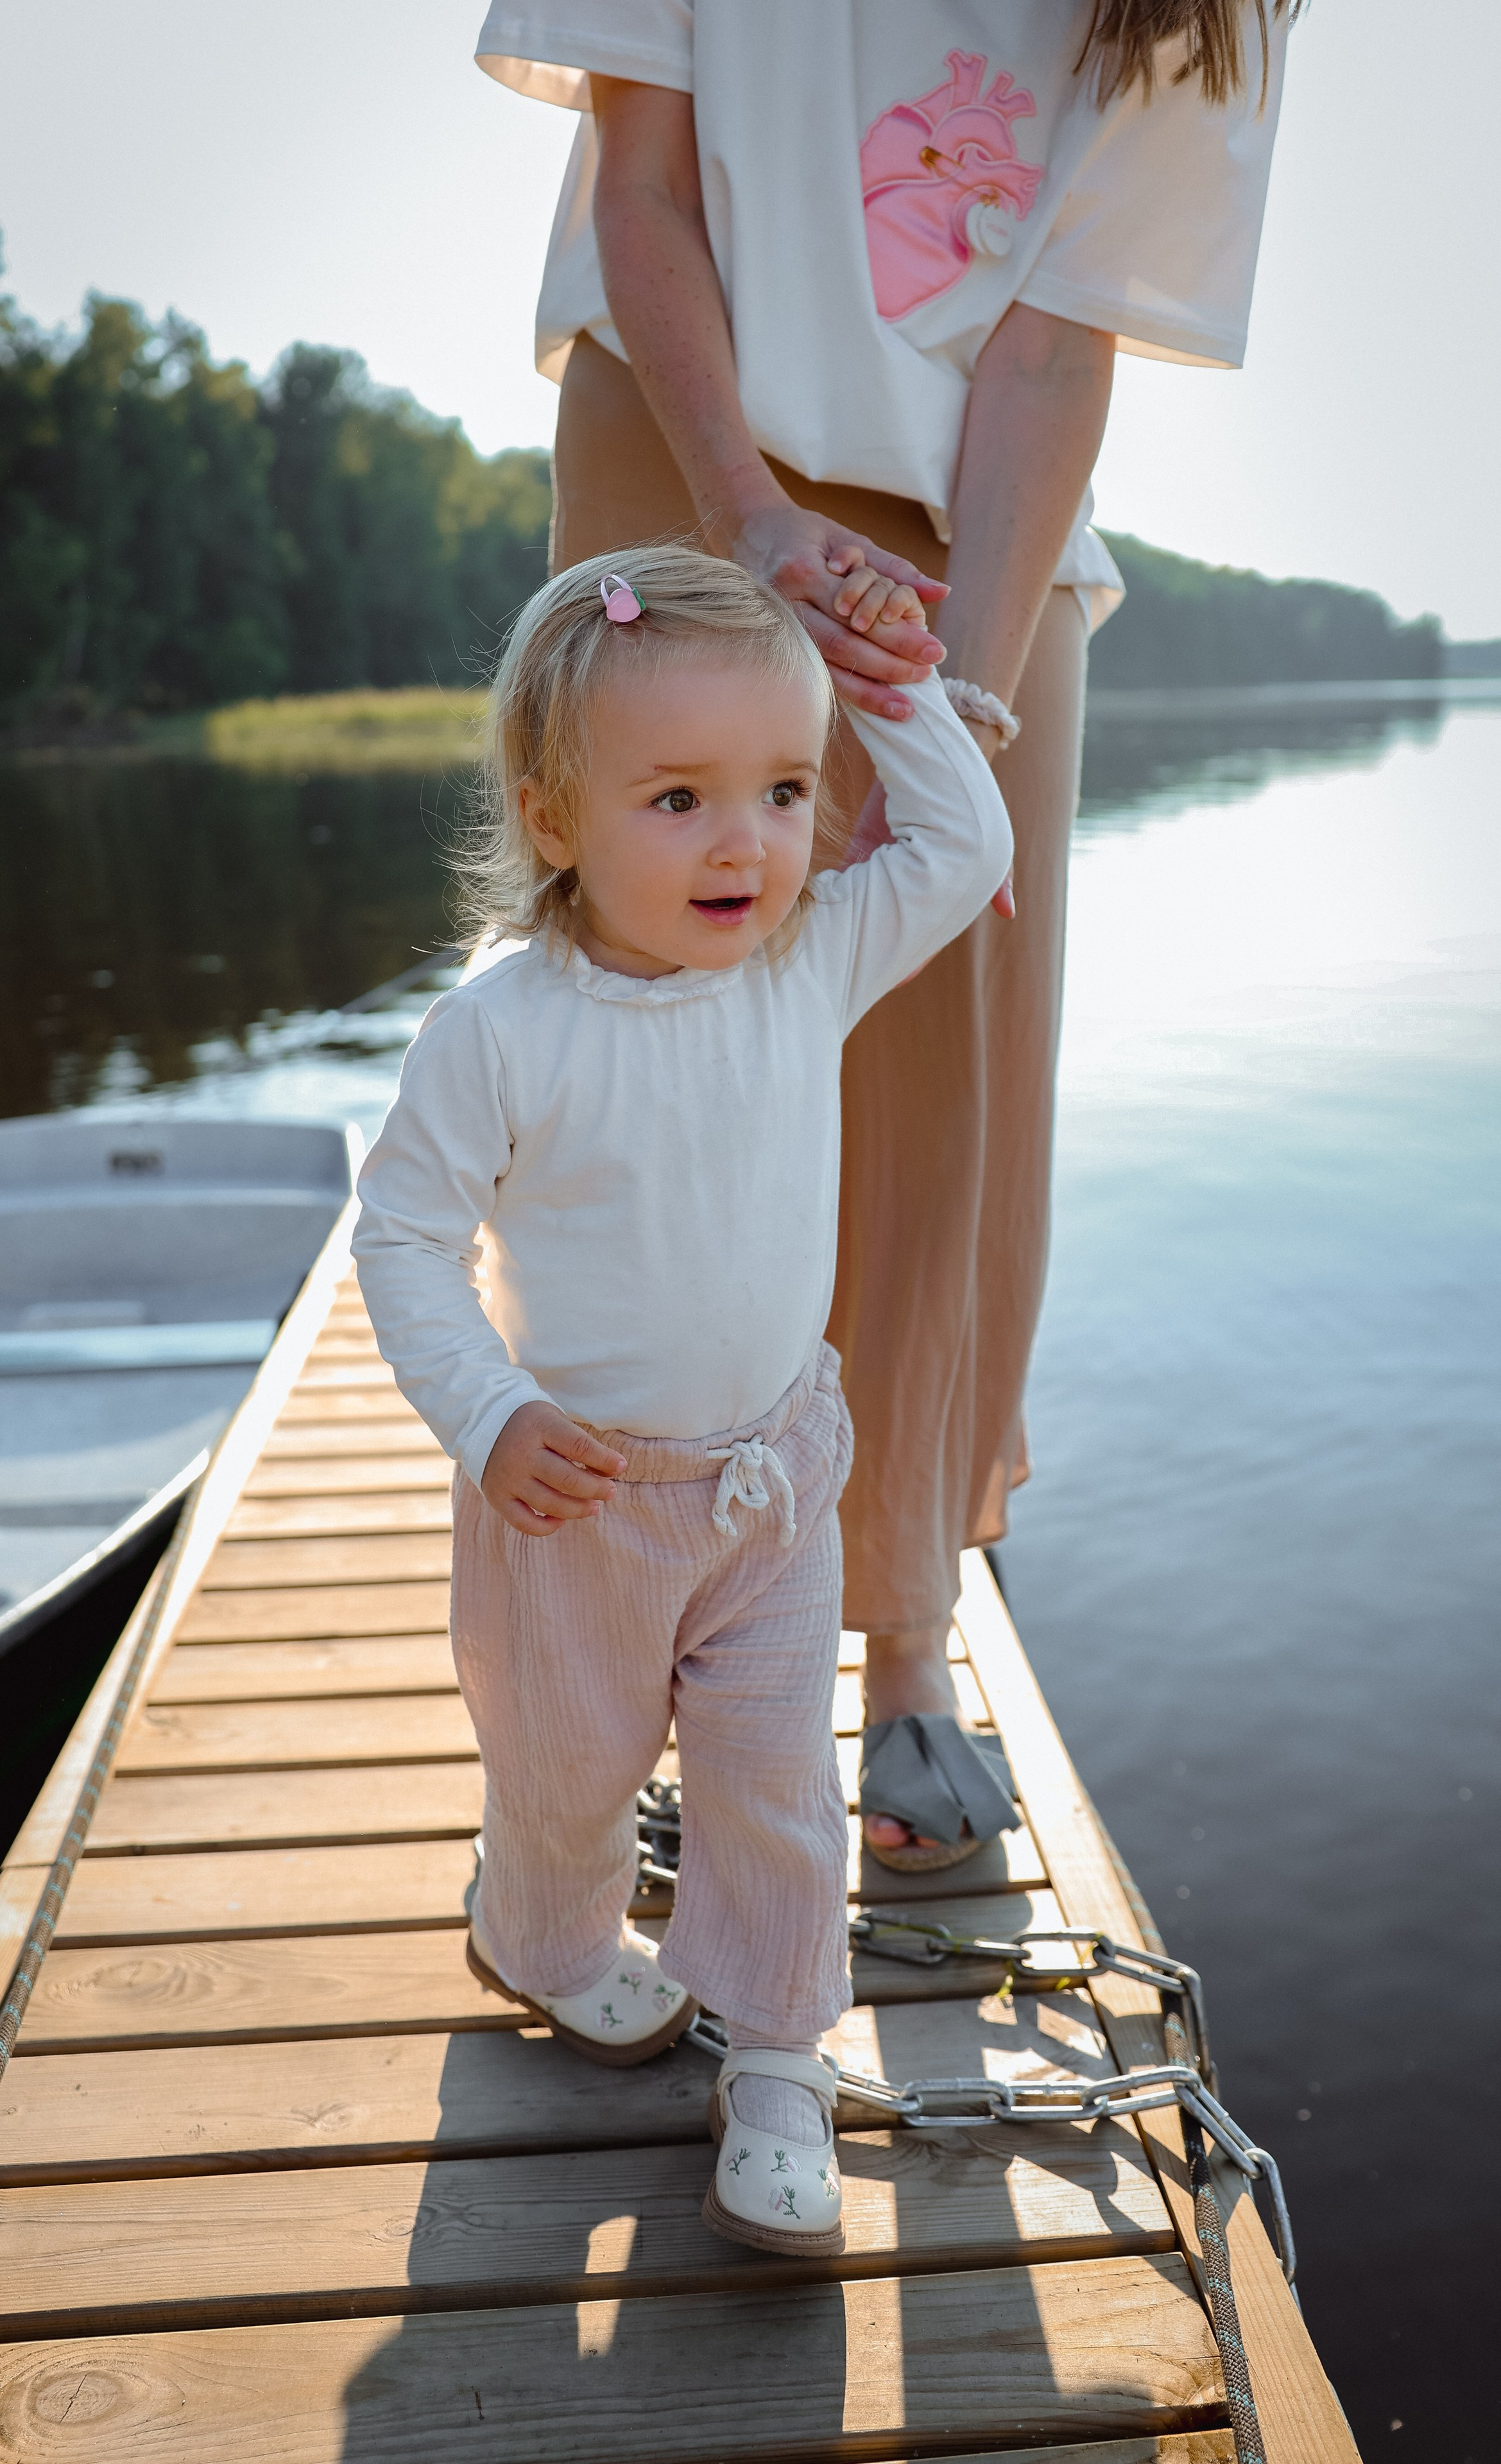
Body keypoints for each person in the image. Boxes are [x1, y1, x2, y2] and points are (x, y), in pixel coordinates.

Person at [474, 1, 1292, 1868]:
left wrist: (962, 725)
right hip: (688, 445)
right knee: (645, 1061)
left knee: (943, 1062)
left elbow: (1056, 326)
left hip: (978, 532)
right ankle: (627, 1629)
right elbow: (646, 183)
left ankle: (908, 1639)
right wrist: (751, 519)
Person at [354, 544, 1011, 2253]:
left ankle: (782, 2061)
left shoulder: (805, 965)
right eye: (681, 798)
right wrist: (489, 1413)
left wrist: (895, 689)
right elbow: (408, 1239)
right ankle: (547, 1936)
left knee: (775, 1784)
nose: (749, 842)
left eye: (786, 791)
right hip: (575, 1504)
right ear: (557, 819)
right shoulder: (497, 1034)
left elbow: (964, 847)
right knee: (566, 1778)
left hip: (773, 1480)